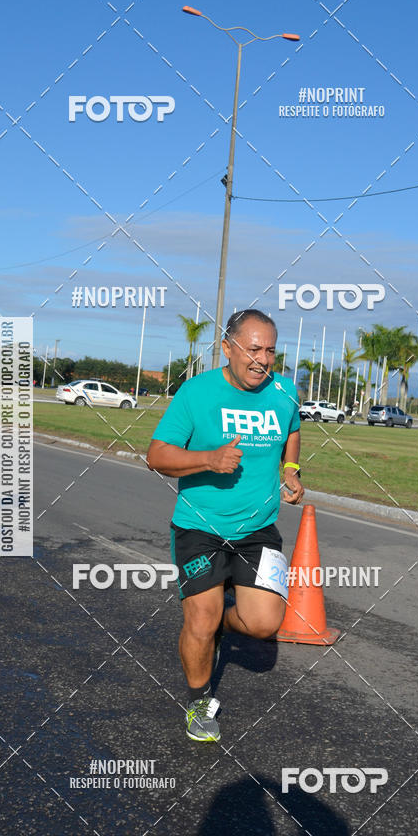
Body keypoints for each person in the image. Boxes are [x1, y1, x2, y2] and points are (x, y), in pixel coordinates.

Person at [146, 310, 304, 742]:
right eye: (253, 349)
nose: (262, 359)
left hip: (257, 530)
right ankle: (199, 703)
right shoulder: (197, 393)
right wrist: (208, 459)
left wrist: (290, 469)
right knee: (200, 618)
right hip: (201, 527)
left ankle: (219, 625)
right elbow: (157, 455)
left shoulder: (284, 391)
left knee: (264, 625)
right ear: (228, 347)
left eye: (270, 350)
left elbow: (292, 429)